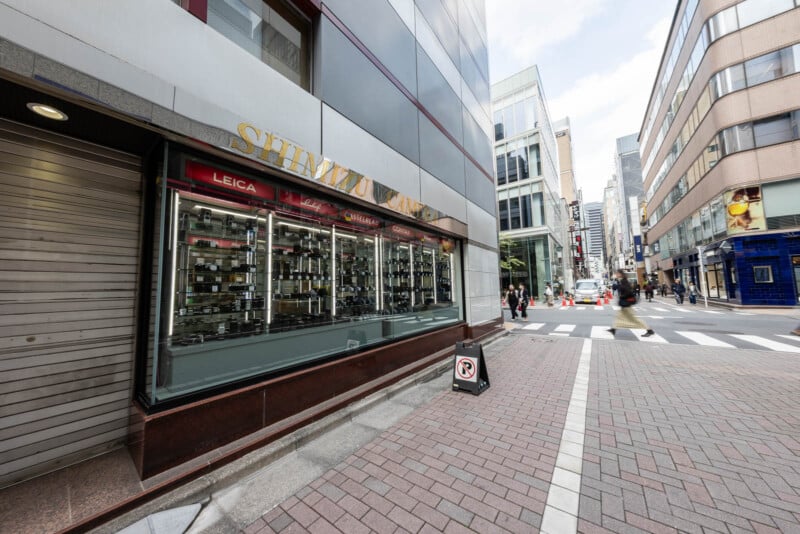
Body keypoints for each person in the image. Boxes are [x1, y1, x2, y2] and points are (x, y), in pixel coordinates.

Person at [608, 269, 655, 337]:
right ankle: (613, 329)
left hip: (626, 303)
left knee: (634, 319)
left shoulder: (624, 281)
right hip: (624, 303)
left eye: (617, 273)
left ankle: (649, 330)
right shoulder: (622, 280)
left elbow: (628, 291)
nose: (616, 275)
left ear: (620, 274)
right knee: (619, 316)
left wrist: (621, 294)